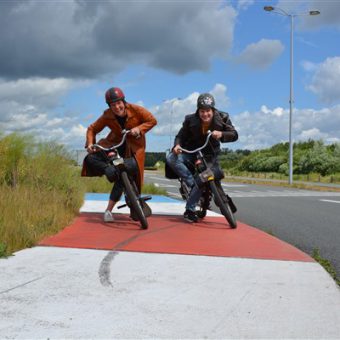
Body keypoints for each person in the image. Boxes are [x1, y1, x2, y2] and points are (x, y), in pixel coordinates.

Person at [81, 87, 157, 222]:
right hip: (114, 145)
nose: (117, 107)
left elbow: (152, 121)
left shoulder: (136, 110)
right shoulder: (107, 115)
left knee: (127, 173)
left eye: (118, 103)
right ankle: (108, 171)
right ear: (109, 106)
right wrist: (90, 144)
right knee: (90, 159)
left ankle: (110, 209)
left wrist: (139, 129)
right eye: (113, 105)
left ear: (123, 101)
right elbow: (92, 128)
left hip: (134, 149)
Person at [166, 93, 238, 222]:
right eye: (202, 111)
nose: (205, 114)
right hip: (191, 152)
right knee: (171, 158)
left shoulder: (223, 117)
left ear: (213, 110)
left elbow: (234, 134)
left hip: (210, 155)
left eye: (208, 111)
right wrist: (177, 146)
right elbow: (180, 136)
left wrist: (221, 134)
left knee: (208, 179)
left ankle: (192, 205)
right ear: (198, 111)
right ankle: (191, 186)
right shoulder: (190, 119)